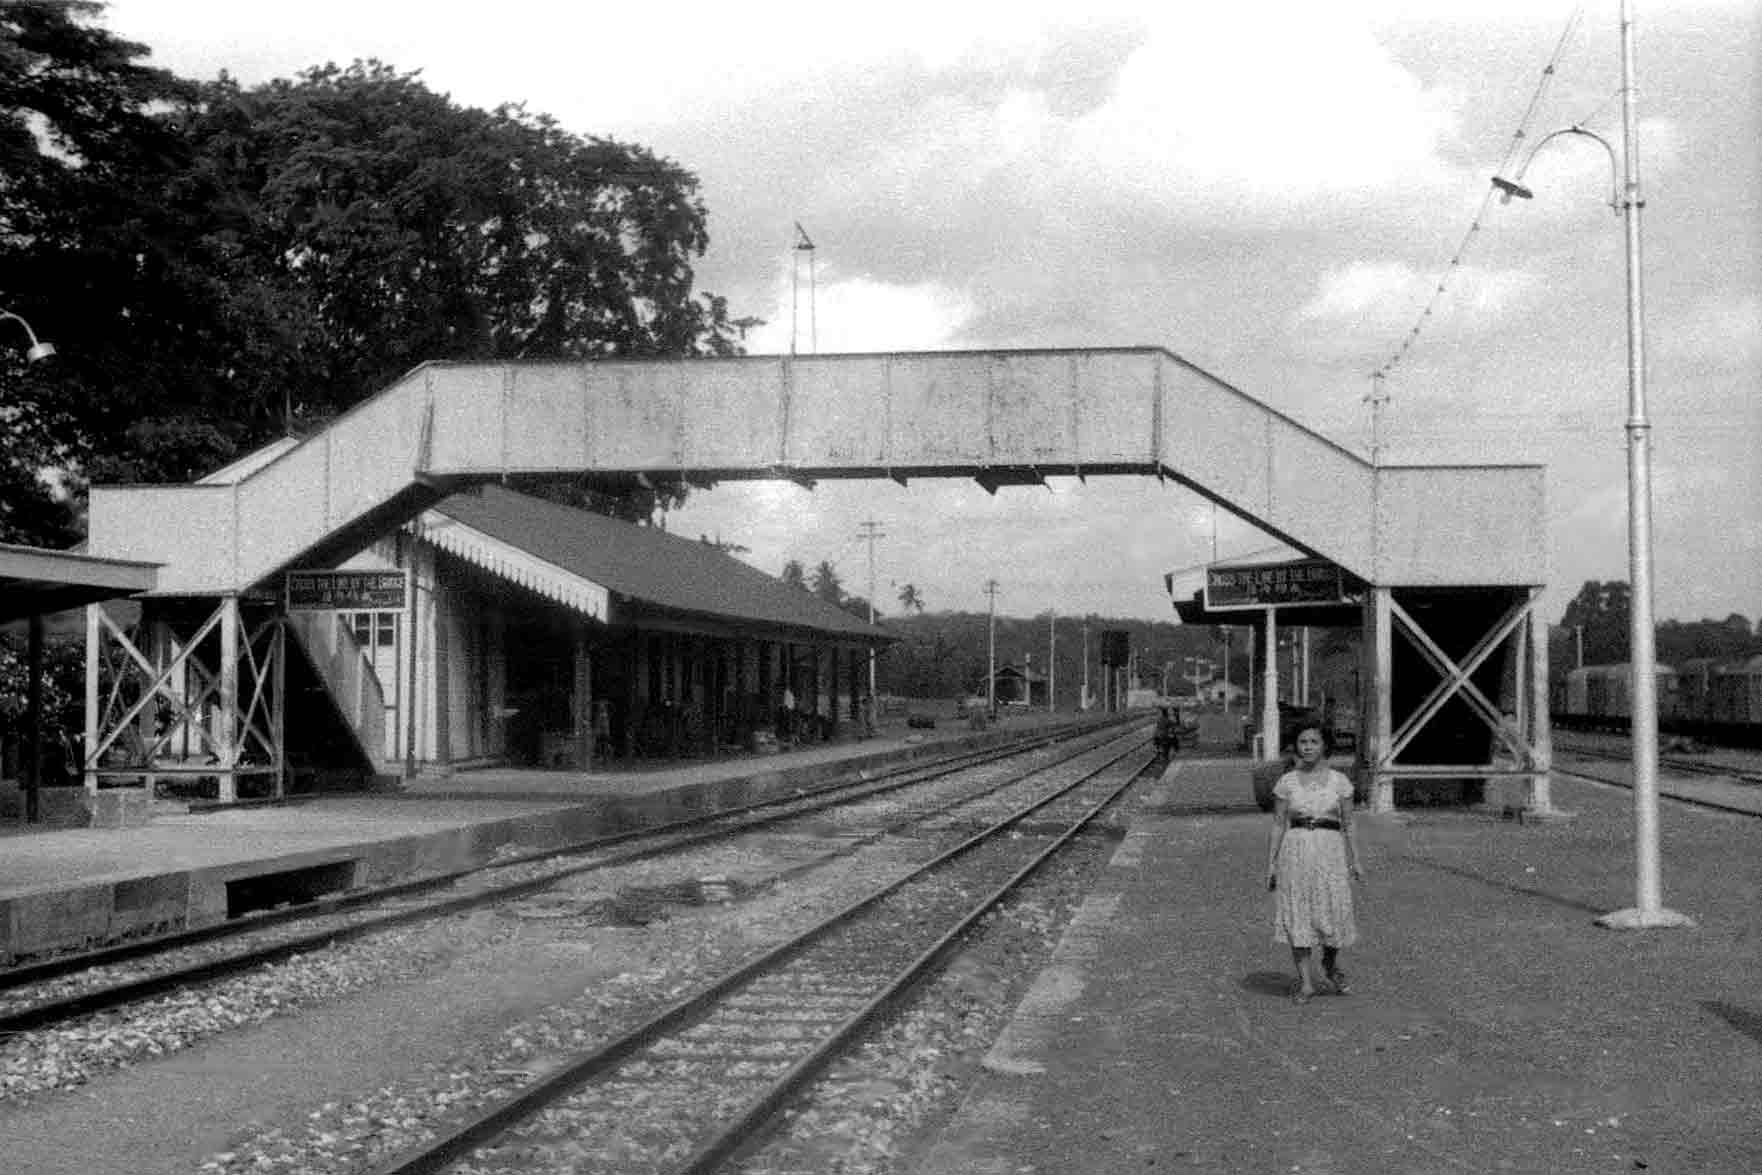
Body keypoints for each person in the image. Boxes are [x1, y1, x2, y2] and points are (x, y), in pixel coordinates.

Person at [1265, 722, 1363, 1004]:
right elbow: (1278, 824)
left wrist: (1356, 859)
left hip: (1330, 852)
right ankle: (1306, 983)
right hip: (1295, 852)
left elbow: (1349, 824)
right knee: (1299, 913)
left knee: (1333, 911)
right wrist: (1271, 863)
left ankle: (1329, 963)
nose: (1307, 747)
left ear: (1324, 746)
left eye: (1313, 742)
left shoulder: (1340, 782)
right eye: (1303, 742)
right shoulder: (1287, 782)